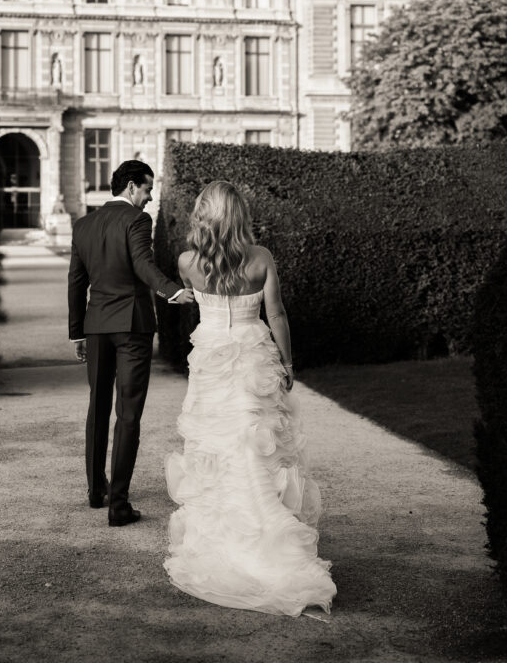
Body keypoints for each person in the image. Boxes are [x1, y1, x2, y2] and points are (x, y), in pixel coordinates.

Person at [164, 180, 336, 618]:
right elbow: (275, 313)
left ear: (203, 215)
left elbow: (196, 299)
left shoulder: (187, 262)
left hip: (210, 357)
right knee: (255, 447)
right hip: (254, 354)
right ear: (239, 215)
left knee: (216, 450)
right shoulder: (260, 258)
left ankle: (222, 540)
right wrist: (289, 362)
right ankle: (266, 538)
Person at [68, 159, 194, 527]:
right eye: (147, 189)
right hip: (132, 327)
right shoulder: (137, 220)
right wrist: (172, 291)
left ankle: (96, 490)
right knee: (128, 413)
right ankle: (118, 505)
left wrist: (78, 331)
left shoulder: (84, 224)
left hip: (96, 325)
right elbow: (142, 263)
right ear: (130, 187)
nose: (150, 198)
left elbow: (76, 281)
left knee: (98, 406)